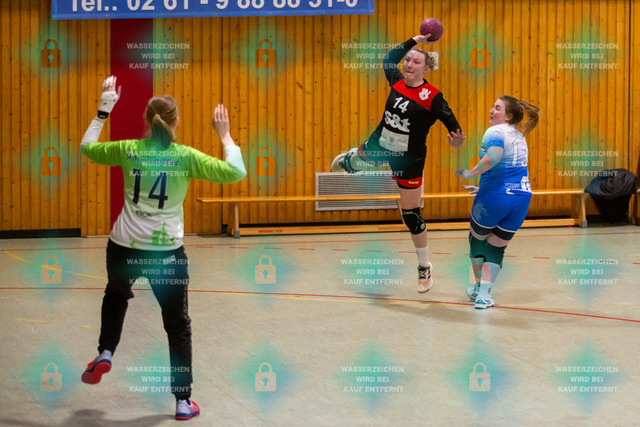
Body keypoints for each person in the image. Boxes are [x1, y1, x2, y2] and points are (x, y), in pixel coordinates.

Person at [79, 76, 247, 419]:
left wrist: (103, 110)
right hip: (166, 253)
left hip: (124, 246)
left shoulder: (128, 150)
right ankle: (183, 401)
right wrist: (225, 135)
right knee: (177, 326)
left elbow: (86, 147)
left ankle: (106, 351)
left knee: (116, 295)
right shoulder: (185, 157)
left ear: (146, 120)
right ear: (176, 121)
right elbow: (236, 172)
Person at [331, 34, 465, 293]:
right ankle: (349, 161)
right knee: (355, 164)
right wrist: (415, 39)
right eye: (408, 60)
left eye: (416, 62)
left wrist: (457, 143)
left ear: (426, 69)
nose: (409, 64)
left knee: (411, 215)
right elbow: (388, 59)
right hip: (380, 144)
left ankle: (424, 266)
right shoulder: (397, 81)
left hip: (409, 159)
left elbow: (455, 129)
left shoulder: (433, 97)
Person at [455, 95, 540, 309]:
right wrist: (482, 188)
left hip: (495, 197)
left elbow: (493, 157)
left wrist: (469, 173)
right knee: (496, 248)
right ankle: (484, 295)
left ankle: (478, 287)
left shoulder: (495, 131)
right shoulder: (520, 137)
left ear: (508, 116)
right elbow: (510, 171)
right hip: (521, 199)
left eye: (497, 108)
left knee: (477, 241)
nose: (492, 111)